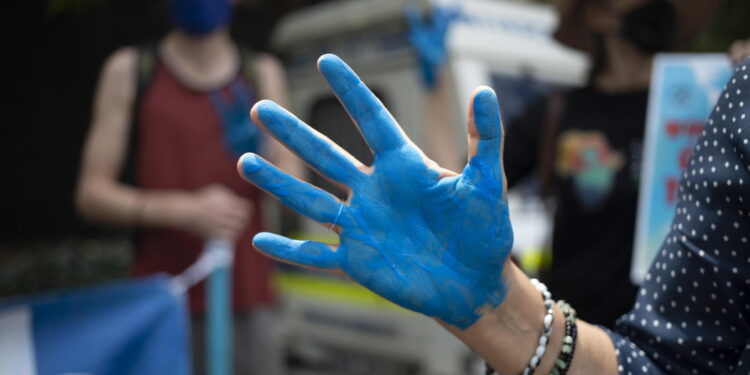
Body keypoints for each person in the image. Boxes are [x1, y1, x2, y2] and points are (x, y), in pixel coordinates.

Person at [237, 53, 750, 374]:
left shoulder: (698, 94)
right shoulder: (565, 110)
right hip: (582, 333)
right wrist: (500, 308)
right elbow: (676, 363)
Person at [75, 0, 299, 373]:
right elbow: (91, 194)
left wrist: (273, 159)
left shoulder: (261, 73)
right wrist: (184, 211)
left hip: (249, 298)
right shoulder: (132, 69)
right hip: (161, 301)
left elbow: (296, 191)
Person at [501, 0, 718, 328]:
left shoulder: (702, 105)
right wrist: (437, 86)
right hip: (576, 337)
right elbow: (471, 182)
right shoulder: (558, 113)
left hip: (674, 339)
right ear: (597, 14)